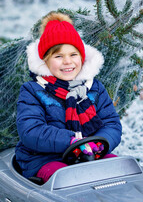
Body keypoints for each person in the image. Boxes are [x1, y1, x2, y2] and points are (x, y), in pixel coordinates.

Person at [15, 12, 122, 183]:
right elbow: (31, 130)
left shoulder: (94, 88)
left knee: (116, 169)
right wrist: (72, 142)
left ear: (82, 57)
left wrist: (99, 145)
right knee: (68, 179)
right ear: (46, 61)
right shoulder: (33, 90)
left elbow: (111, 123)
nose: (67, 62)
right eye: (58, 56)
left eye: (73, 55)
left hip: (90, 153)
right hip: (44, 159)